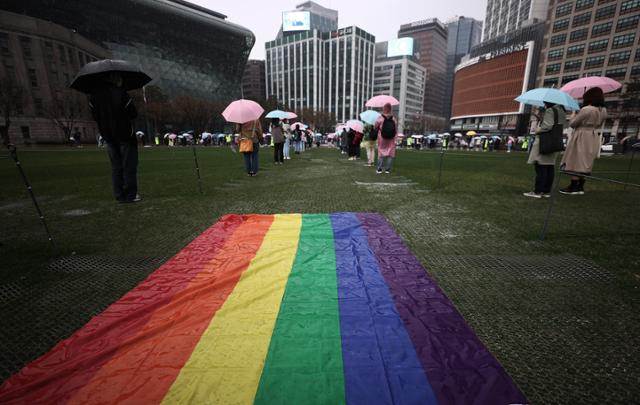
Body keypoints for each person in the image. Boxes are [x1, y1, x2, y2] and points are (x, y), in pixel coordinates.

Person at [89, 72, 140, 203]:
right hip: (125, 134)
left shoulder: (94, 97)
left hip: (108, 135)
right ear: (113, 78)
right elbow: (133, 113)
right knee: (128, 165)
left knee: (116, 166)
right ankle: (130, 195)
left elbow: (95, 116)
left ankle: (119, 194)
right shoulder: (121, 93)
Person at [560, 87, 607, 195]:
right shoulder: (603, 110)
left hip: (582, 135)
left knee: (576, 159)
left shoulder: (587, 109)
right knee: (586, 160)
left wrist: (573, 116)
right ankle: (581, 185)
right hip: (593, 136)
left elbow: (573, 124)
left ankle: (573, 186)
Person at [523, 101, 567, 199]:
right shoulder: (561, 111)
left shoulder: (550, 110)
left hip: (545, 141)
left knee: (541, 166)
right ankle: (546, 190)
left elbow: (547, 126)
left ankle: (538, 190)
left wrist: (537, 129)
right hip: (555, 141)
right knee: (549, 166)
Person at [374, 103, 398, 174]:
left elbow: (375, 126)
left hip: (382, 137)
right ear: (390, 109)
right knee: (390, 153)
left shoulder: (380, 118)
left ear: (384, 109)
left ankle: (379, 169)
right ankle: (387, 169)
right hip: (391, 137)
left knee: (381, 152)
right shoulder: (393, 118)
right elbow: (395, 128)